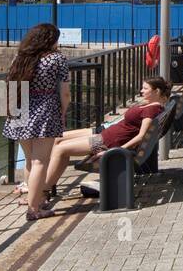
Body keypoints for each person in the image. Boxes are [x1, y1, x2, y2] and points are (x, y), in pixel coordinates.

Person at [44, 78, 172, 194]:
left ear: (157, 91)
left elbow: (141, 136)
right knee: (58, 141)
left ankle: (44, 189)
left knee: (60, 149)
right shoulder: (151, 106)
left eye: (145, 88)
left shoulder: (151, 110)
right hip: (106, 137)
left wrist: (116, 150)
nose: (141, 91)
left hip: (107, 142)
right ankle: (47, 182)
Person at [2, 24, 69, 220]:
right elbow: (65, 92)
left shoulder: (20, 58)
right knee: (41, 160)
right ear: (51, 40)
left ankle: (35, 198)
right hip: (45, 108)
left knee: (30, 158)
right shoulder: (57, 59)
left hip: (20, 107)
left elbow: (12, 86)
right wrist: (62, 112)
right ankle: (33, 209)